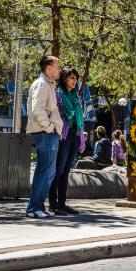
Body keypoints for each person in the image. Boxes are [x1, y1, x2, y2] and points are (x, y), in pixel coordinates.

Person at [26, 56, 63, 219]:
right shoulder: (41, 84)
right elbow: (37, 109)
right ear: (48, 69)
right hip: (44, 132)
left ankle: (38, 206)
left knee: (49, 171)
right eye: (57, 67)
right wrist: (49, 127)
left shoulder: (48, 85)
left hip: (47, 132)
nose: (60, 70)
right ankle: (33, 208)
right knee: (44, 170)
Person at [48, 67, 84, 216]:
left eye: (76, 78)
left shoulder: (76, 97)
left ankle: (62, 204)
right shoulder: (58, 94)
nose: (74, 81)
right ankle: (53, 204)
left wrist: (81, 139)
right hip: (63, 135)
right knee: (58, 170)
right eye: (71, 78)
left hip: (74, 135)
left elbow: (79, 120)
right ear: (64, 79)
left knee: (66, 171)